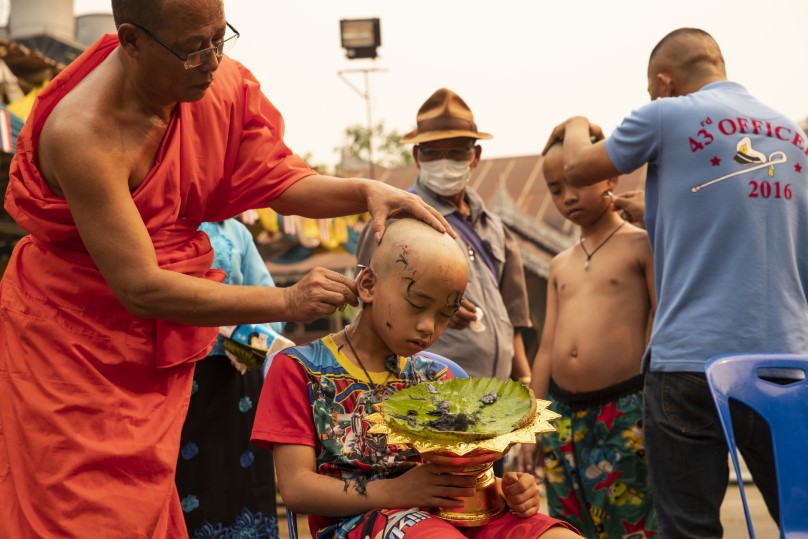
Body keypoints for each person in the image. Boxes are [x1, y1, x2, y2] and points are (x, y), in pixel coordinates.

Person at [0, 0, 451, 536]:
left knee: (144, 512)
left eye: (221, 39)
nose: (213, 62)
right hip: (71, 348)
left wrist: (363, 190)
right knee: (83, 515)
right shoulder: (83, 132)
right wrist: (286, 301)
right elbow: (141, 288)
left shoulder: (214, 85)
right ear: (132, 40)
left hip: (162, 364)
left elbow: (275, 178)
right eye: (194, 49)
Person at [542, 27, 808, 538]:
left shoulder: (667, 114)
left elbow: (577, 166)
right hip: (787, 364)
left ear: (664, 83)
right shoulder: (794, 137)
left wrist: (576, 122)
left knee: (688, 530)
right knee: (798, 522)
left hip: (692, 366)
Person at [251, 218, 581, 539]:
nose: (428, 327)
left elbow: (467, 476)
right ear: (368, 286)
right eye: (418, 304)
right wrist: (397, 491)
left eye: (444, 314)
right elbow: (296, 488)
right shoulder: (299, 369)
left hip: (455, 517)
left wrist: (508, 489)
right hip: (360, 523)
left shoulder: (443, 376)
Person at [356, 88, 533, 386]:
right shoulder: (393, 219)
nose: (444, 161)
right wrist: (437, 309)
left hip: (496, 391)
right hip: (424, 389)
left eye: (455, 152)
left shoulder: (495, 229)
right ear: (417, 156)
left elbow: (513, 322)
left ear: (475, 156)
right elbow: (366, 309)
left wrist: (525, 382)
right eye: (432, 152)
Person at [530, 142, 656, 537]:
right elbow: (547, 346)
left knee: (633, 521)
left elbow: (660, 321)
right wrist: (532, 420)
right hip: (562, 414)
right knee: (569, 525)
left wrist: (656, 402)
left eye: (578, 181)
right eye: (555, 188)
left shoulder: (642, 244)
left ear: (612, 179)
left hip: (625, 410)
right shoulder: (559, 263)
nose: (567, 196)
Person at [174, 218, 285, 538]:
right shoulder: (159, 219)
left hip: (236, 376)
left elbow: (270, 302)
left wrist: (251, 337)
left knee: (243, 483)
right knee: (184, 481)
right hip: (178, 376)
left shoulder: (235, 230)